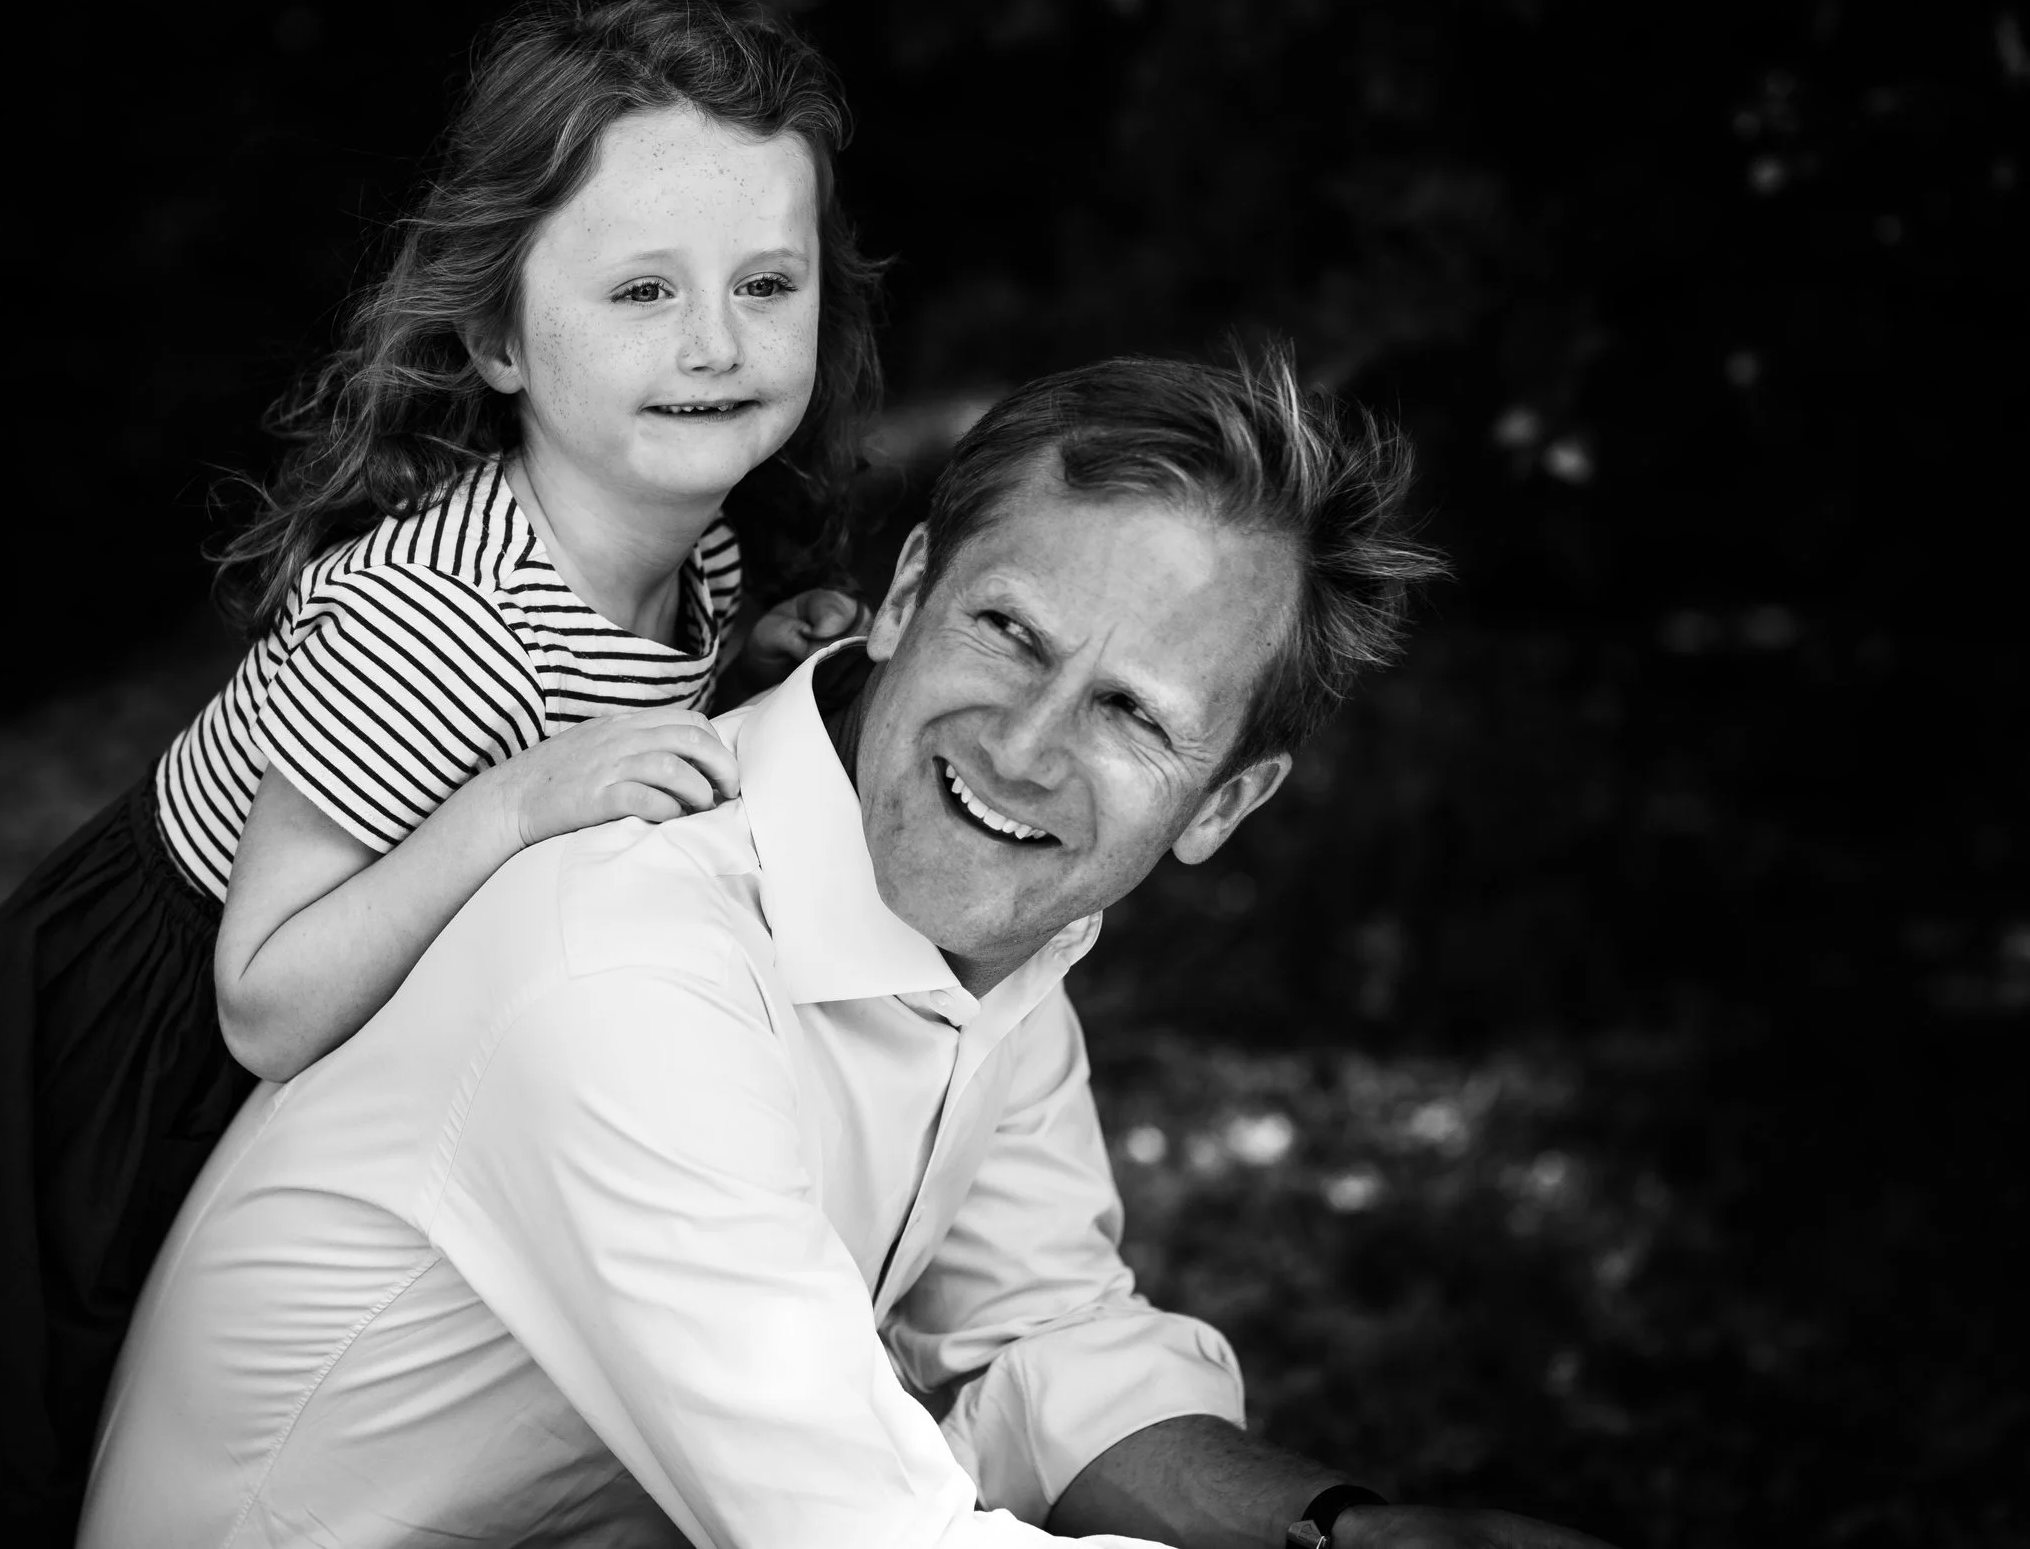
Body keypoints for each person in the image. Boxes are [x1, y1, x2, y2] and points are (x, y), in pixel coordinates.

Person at [80, 349, 1619, 1549]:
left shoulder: (999, 944)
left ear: (1226, 804)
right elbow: (861, 1528)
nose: (1022, 751)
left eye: (1133, 712)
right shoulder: (629, 959)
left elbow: (1035, 1340)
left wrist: (1345, 1526)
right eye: (1008, 631)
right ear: (901, 595)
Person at [0, 0, 886, 1548]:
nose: (715, 342)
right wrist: (519, 799)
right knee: (41, 1460)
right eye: (641, 289)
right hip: (142, 1048)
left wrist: (764, 659)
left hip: (320, 1052)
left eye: (768, 281)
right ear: (498, 333)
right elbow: (268, 993)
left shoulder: (689, 557)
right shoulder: (437, 616)